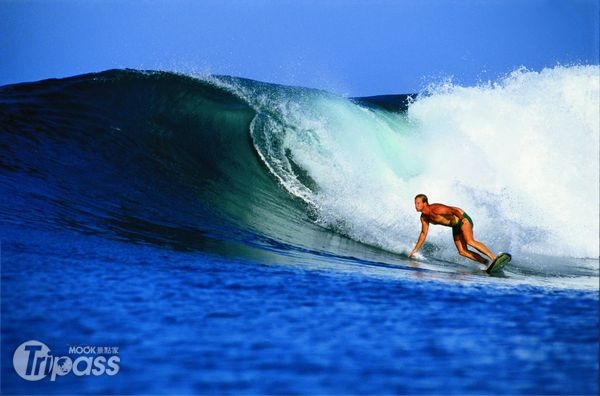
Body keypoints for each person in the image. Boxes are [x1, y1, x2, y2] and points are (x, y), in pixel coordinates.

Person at [408, 194, 497, 264]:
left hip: (462, 220)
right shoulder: (424, 218)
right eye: (415, 203)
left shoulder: (436, 209)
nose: (416, 205)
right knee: (462, 251)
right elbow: (423, 233)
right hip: (455, 226)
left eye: (418, 203)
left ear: (425, 203)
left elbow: (453, 211)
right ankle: (486, 262)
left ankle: (494, 258)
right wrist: (415, 250)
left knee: (469, 241)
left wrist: (463, 218)